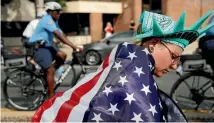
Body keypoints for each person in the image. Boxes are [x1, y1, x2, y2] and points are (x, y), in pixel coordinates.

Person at [31, 10, 214, 122]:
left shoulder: (127, 60)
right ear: (153, 44)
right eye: (174, 56)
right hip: (40, 50)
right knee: (50, 69)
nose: (175, 65)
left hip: (48, 114)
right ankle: (49, 90)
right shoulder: (134, 72)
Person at [29, 1, 83, 98]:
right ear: (50, 12)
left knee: (63, 56)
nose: (59, 14)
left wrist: (74, 45)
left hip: (47, 46)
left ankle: (48, 73)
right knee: (50, 70)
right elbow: (58, 34)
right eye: (57, 12)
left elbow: (61, 34)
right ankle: (51, 97)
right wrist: (74, 47)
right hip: (39, 47)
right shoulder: (47, 19)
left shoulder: (54, 22)